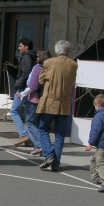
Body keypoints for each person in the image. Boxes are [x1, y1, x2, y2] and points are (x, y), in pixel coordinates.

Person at [37, 39, 78, 172]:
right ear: (68, 51)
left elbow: (41, 80)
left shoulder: (49, 62)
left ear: (56, 50)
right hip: (65, 103)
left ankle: (49, 156)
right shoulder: (73, 64)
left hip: (50, 101)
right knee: (60, 135)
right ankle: (55, 163)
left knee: (43, 129)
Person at [20, 49, 50, 156]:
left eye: (38, 56)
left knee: (30, 123)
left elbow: (32, 85)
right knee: (38, 124)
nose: (36, 58)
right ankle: (40, 146)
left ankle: (39, 145)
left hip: (34, 99)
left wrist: (22, 94)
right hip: (44, 99)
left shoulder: (38, 68)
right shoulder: (49, 68)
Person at [10, 38, 37, 147]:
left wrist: (18, 85)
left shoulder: (26, 57)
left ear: (26, 47)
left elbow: (25, 73)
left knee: (14, 111)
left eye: (21, 46)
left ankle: (23, 134)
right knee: (27, 115)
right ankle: (29, 138)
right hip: (29, 88)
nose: (19, 48)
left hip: (23, 88)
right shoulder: (32, 56)